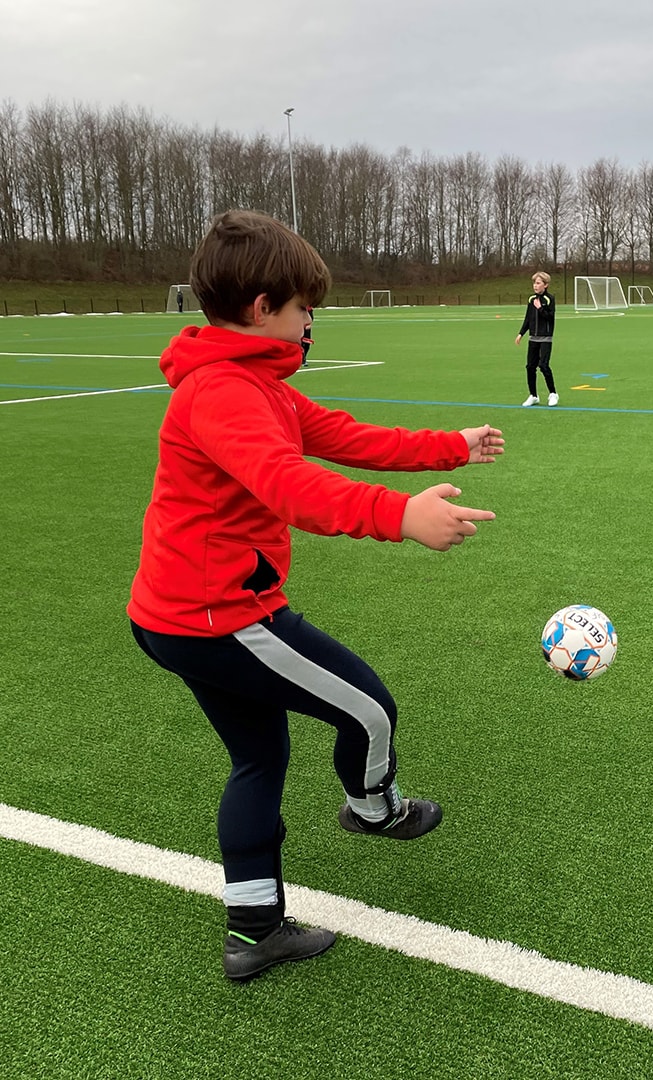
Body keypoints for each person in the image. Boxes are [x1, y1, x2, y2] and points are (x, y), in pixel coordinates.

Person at [128, 209, 505, 982]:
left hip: (187, 612)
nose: (310, 324)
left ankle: (253, 931)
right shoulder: (224, 394)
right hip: (218, 617)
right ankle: (375, 810)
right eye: (305, 308)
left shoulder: (253, 384)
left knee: (259, 757)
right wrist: (400, 515)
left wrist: (452, 444)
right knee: (367, 707)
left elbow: (343, 434)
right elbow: (289, 485)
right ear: (262, 308)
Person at [515, 271, 558, 406]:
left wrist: (540, 309)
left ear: (545, 285)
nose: (535, 285)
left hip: (545, 338)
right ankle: (533, 395)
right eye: (534, 283)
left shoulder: (549, 299)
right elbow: (528, 318)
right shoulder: (531, 299)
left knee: (544, 366)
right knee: (530, 367)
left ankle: (553, 394)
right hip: (533, 338)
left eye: (538, 283)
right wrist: (521, 333)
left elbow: (550, 317)